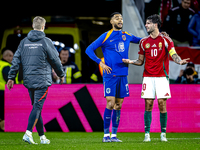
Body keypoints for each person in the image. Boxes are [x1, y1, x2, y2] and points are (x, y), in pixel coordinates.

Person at [122, 14, 189, 142]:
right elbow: (140, 61)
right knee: (148, 104)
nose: (146, 25)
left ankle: (163, 134)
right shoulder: (143, 42)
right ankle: (147, 134)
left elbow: (173, 54)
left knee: (162, 104)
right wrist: (130, 61)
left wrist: (179, 61)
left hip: (162, 77)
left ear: (155, 24)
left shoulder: (166, 40)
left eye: (148, 23)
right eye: (146, 23)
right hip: (147, 77)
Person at [7, 16, 64, 144]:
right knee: (37, 107)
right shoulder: (46, 41)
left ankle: (42, 137)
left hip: (28, 80)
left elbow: (15, 60)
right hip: (42, 80)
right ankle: (28, 133)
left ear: (33, 26)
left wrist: (11, 77)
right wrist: (61, 74)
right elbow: (55, 60)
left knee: (36, 107)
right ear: (43, 27)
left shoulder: (23, 42)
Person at [85, 12, 142, 142]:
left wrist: (157, 36)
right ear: (111, 21)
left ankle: (114, 135)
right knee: (110, 103)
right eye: (117, 18)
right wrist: (101, 62)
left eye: (121, 18)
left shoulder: (126, 35)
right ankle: (106, 135)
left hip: (123, 74)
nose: (120, 20)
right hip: (110, 75)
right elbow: (89, 49)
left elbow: (141, 40)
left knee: (118, 105)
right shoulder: (106, 36)